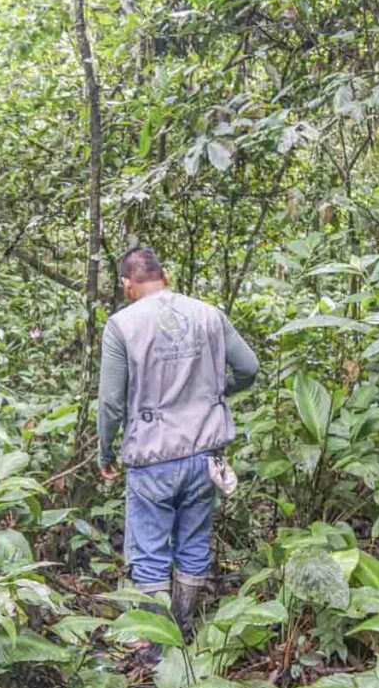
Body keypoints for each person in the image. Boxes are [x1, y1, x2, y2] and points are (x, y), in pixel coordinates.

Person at [97, 245, 258, 638]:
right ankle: (184, 630)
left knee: (149, 553)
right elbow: (249, 368)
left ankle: (157, 647)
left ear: (127, 284)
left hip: (152, 457)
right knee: (193, 543)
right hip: (205, 454)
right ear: (164, 276)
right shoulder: (209, 314)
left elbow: (112, 402)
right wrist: (215, 394)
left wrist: (105, 451)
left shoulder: (122, 325)